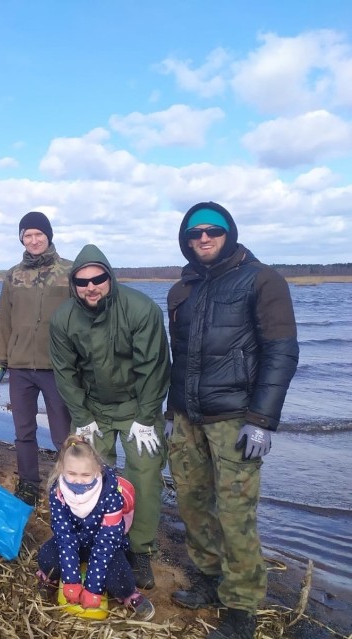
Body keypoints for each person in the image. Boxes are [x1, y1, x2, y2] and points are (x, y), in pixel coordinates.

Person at [166, 202, 299, 639]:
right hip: (187, 417)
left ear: (229, 233)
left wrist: (262, 419)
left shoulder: (262, 280)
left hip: (235, 418)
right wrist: (171, 412)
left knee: (236, 510)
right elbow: (179, 357)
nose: (203, 237)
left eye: (213, 230)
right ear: (185, 240)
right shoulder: (181, 290)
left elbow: (281, 352)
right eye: (194, 232)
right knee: (191, 500)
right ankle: (208, 577)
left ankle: (241, 603)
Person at [49, 244, 170, 590]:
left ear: (109, 277)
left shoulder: (141, 309)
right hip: (93, 410)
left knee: (143, 477)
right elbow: (65, 373)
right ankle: (82, 542)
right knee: (82, 473)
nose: (91, 287)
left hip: (137, 407)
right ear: (74, 285)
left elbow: (154, 367)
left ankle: (140, 549)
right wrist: (82, 416)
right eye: (83, 281)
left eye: (98, 279)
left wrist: (147, 417)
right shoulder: (63, 319)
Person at [0, 211, 73, 505]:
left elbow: (81, 320)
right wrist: (0, 362)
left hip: (57, 367)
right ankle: (28, 483)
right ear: (22, 239)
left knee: (64, 433)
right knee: (24, 431)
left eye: (39, 234)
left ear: (49, 236)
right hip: (21, 366)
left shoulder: (69, 271)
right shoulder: (13, 275)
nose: (34, 240)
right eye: (28, 235)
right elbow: (4, 321)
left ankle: (69, 483)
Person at [36, 436, 155, 621]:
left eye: (86, 475)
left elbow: (107, 543)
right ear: (61, 470)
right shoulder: (58, 492)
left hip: (104, 546)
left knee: (122, 580)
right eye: (72, 474)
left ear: (97, 469)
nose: (79, 481)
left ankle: (128, 595)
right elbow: (64, 536)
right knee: (46, 558)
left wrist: (93, 587)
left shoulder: (111, 496)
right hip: (73, 543)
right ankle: (50, 578)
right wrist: (71, 580)